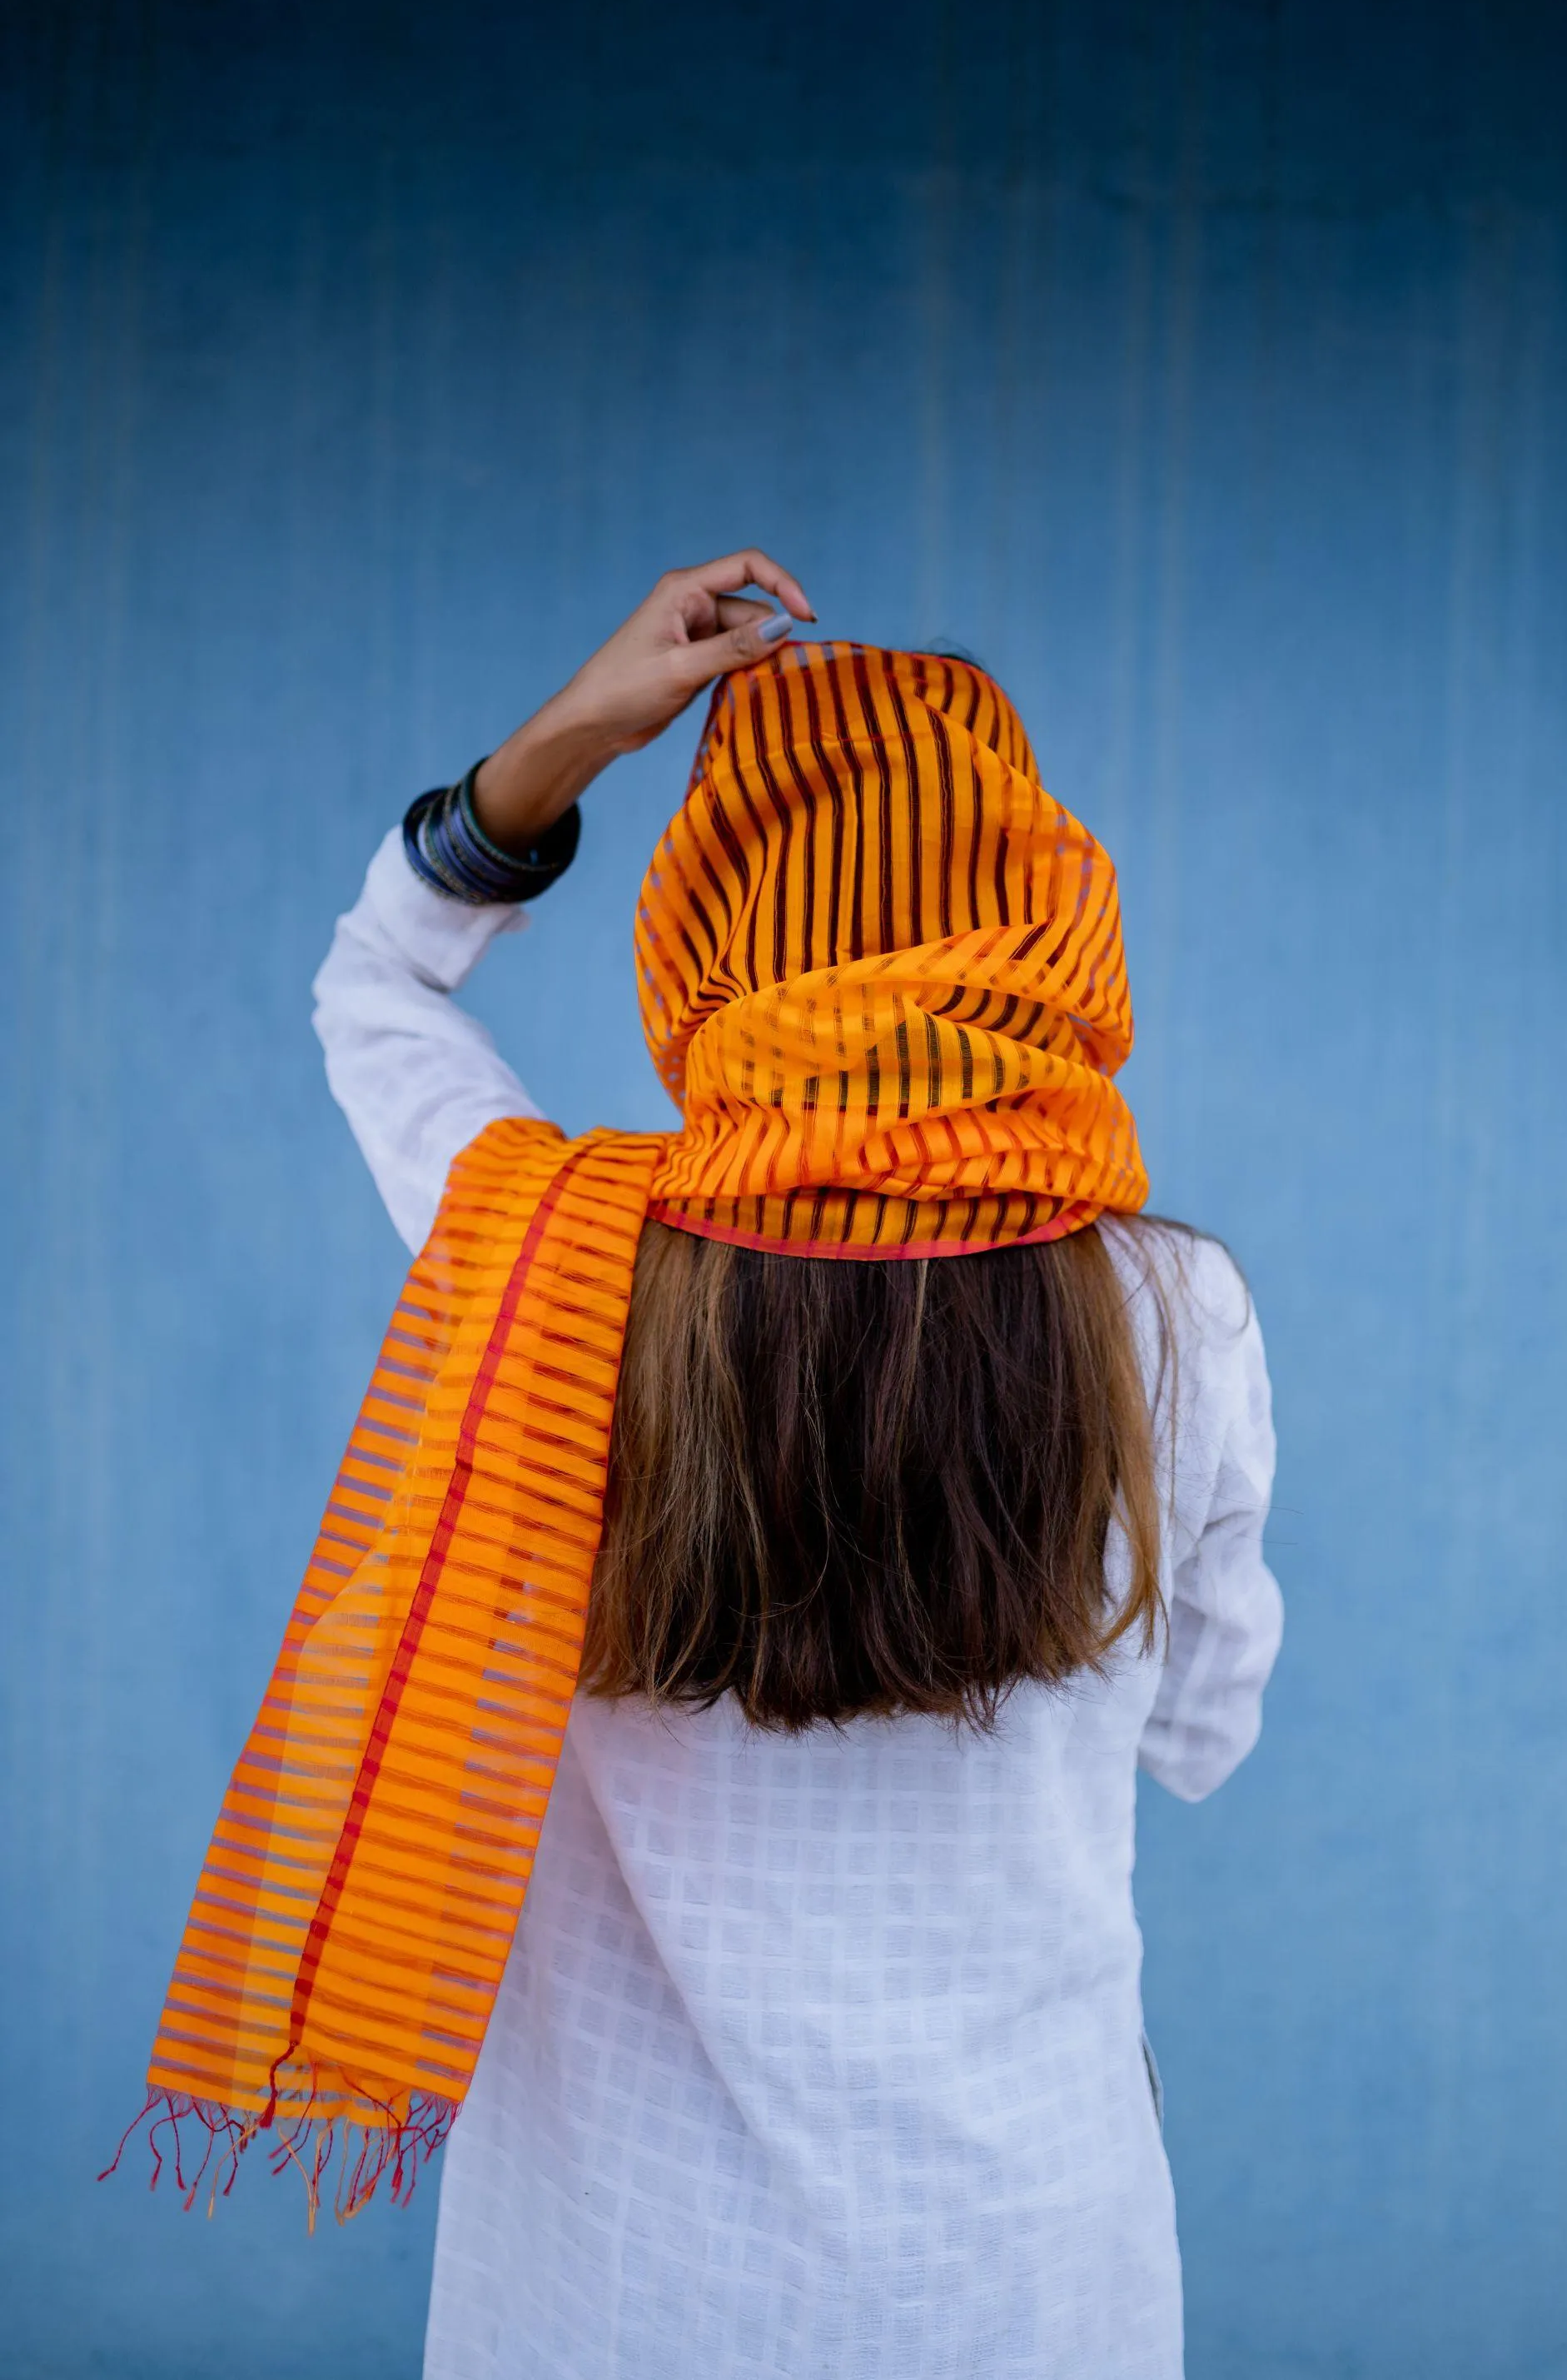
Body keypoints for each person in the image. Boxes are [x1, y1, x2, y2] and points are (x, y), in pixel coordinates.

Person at [136, 553, 1281, 2380]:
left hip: (609, 2296)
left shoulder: (546, 1259)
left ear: (709, 928)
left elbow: (376, 986)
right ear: (1041, 915)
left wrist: (572, 736)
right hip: (1029, 2279)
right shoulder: (1176, 1308)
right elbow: (1202, 1729)